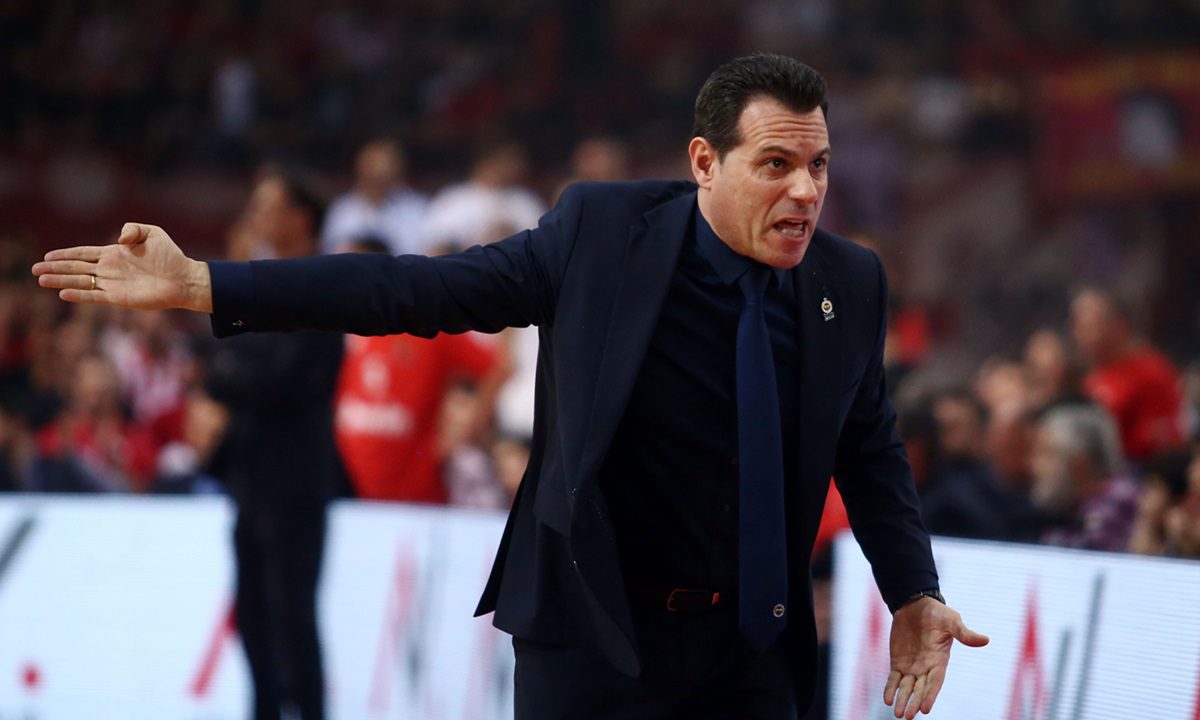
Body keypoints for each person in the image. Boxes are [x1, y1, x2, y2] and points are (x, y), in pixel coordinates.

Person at [33, 54, 986, 720]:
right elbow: (413, 290)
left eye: (818, 165)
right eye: (775, 165)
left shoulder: (849, 281)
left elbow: (868, 444)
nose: (806, 192)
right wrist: (207, 284)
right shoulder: (601, 237)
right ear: (705, 163)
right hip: (593, 641)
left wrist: (913, 588)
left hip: (752, 656)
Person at [203, 167, 344, 720]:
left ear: (300, 218)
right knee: (254, 616)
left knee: (293, 617)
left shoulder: (323, 287)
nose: (254, 216)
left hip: (296, 481)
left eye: (266, 205)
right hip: (249, 477)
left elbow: (278, 379)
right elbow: (219, 367)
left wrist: (234, 370)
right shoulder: (256, 286)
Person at [320, 139, 430, 256]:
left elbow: (423, 253)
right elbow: (331, 252)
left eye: (384, 173)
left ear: (398, 172)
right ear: (360, 170)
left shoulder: (417, 208)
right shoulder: (342, 210)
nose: (378, 178)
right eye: (372, 170)